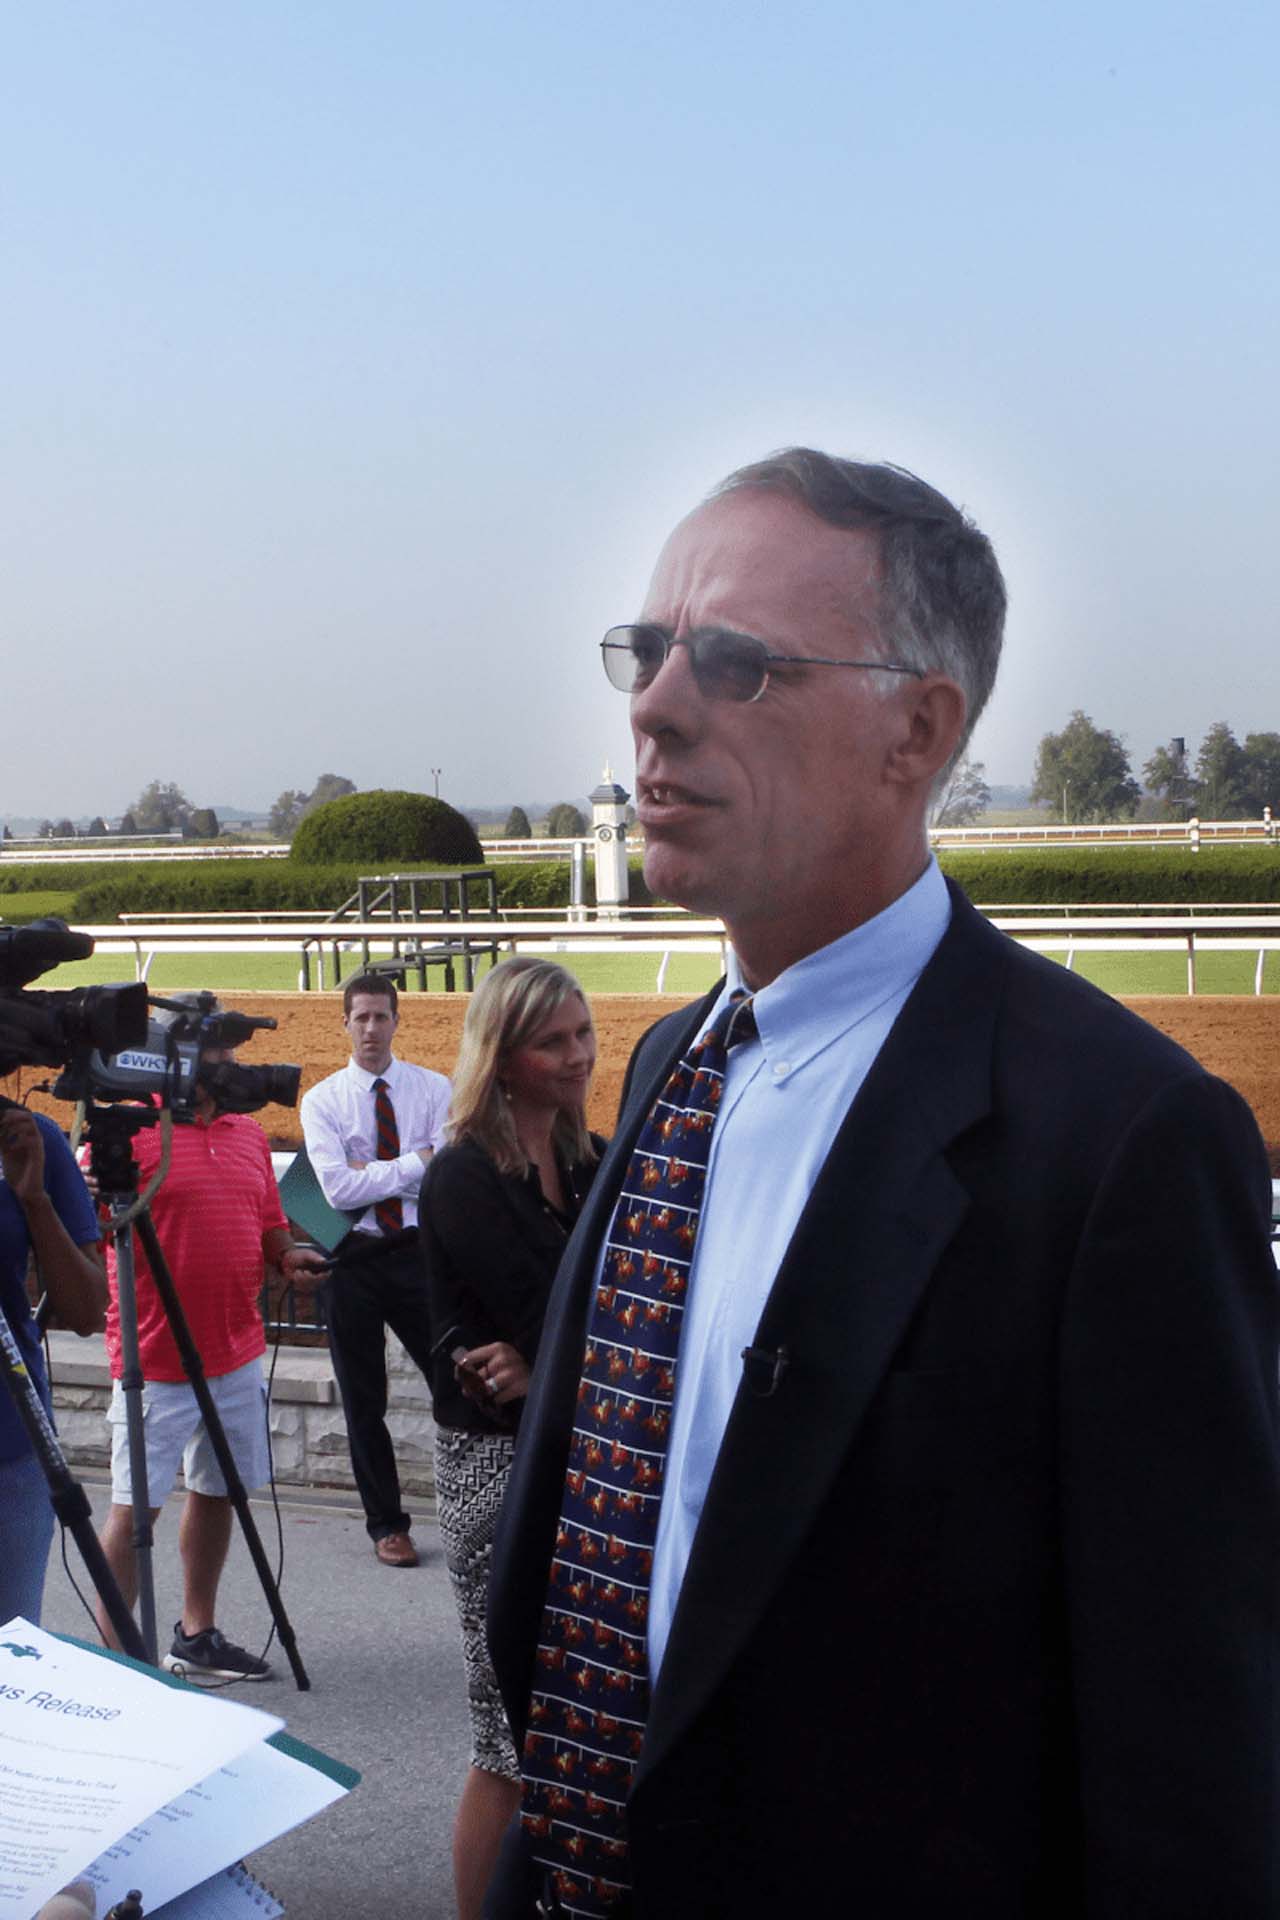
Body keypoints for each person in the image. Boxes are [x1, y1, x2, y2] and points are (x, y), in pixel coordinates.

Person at [486, 449, 1280, 1918]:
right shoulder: (670, 1066)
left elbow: (1193, 1764)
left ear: (919, 729)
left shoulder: (1126, 1142)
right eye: (648, 650)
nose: (655, 702)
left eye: (735, 663)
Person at [420, 958, 603, 1920]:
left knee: (581, 1716)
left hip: (583, 1455)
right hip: (496, 1468)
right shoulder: (462, 1174)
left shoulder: (589, 1160)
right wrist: (550, 1355)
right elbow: (557, 1313)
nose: (578, 1056)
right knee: (506, 1735)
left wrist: (545, 1360)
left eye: (583, 1033)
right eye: (554, 1040)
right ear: (504, 1056)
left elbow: (620, 1306)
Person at [94, 1003, 323, 1680]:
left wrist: (287, 1256)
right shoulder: (132, 1129)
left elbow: (268, 1220)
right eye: (217, 1056)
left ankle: (197, 1634)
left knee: (218, 1489)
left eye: (234, 1058)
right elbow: (93, 1227)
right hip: (155, 1357)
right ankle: (111, 1660)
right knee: (136, 1508)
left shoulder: (249, 1135)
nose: (231, 1069)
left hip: (236, 1350)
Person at [300, 971, 450, 1566]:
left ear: (396, 1020)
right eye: (359, 1017)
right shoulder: (323, 1099)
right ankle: (386, 1525)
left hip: (419, 1254)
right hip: (352, 1259)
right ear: (344, 1023)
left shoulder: (434, 1088)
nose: (370, 1028)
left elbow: (448, 1169)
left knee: (456, 1386)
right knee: (364, 1402)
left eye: (380, 1016)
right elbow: (334, 1192)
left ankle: (484, 1499)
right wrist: (415, 1160)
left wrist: (376, 1169)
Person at [0, 1101, 104, 1624]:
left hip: (12, 1449)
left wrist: (35, 1200)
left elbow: (88, 1310)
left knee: (11, 1664)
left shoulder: (28, 1137)